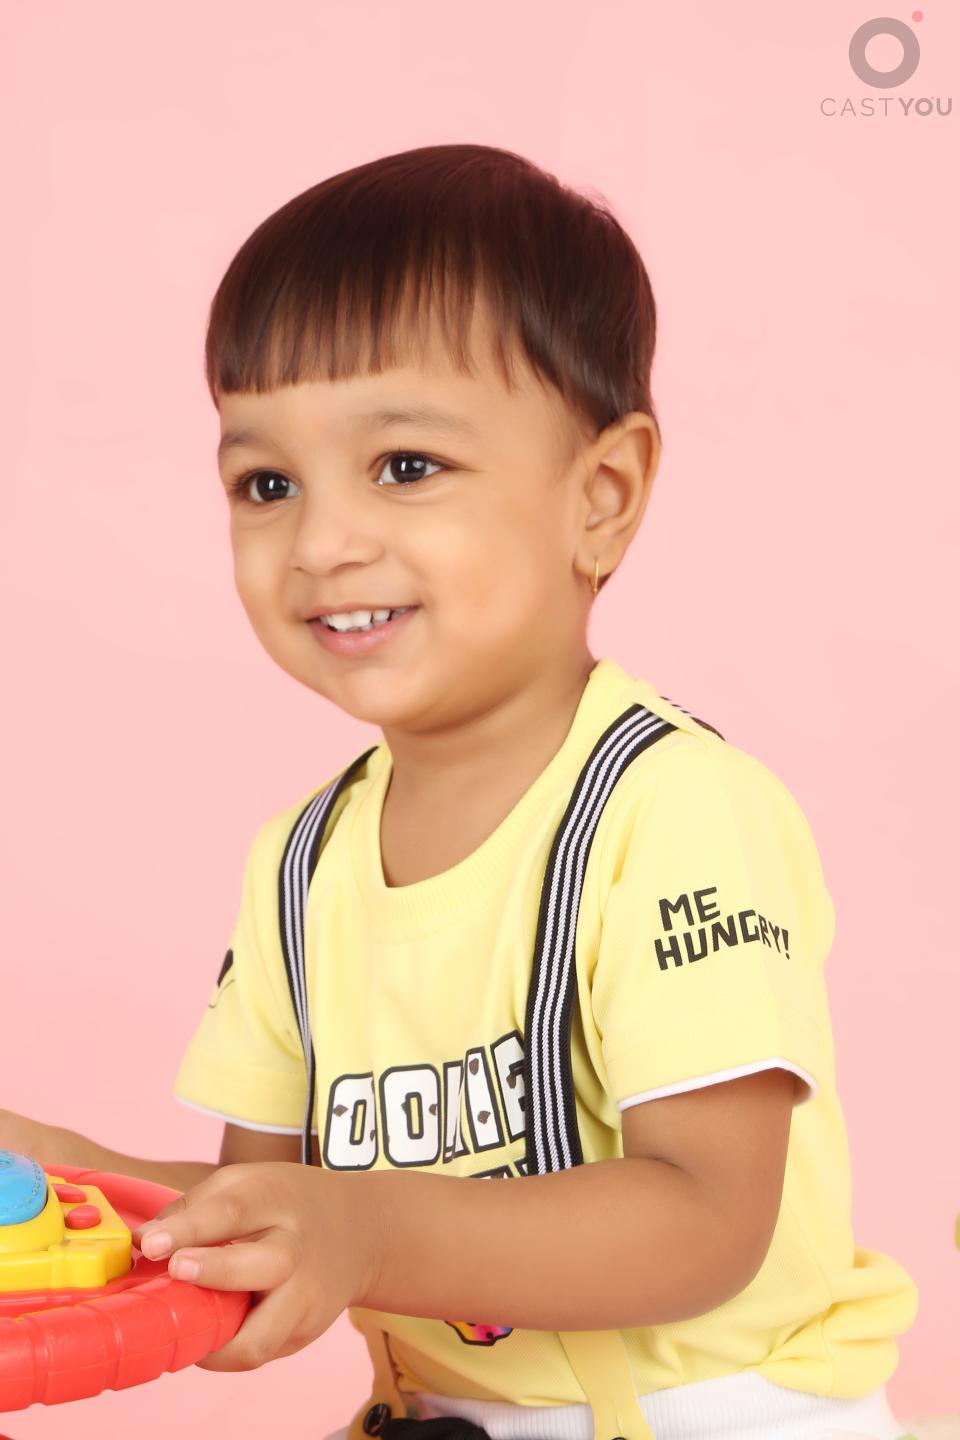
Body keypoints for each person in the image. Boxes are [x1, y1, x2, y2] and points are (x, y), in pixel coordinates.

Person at [1, 143, 919, 1440]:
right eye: (268, 484)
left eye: (405, 466)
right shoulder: (302, 863)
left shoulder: (669, 811)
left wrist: (366, 1231)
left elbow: (709, 1218)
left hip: (725, 1418)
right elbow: (266, 1215)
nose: (323, 542)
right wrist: (58, 1174)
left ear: (600, 500)